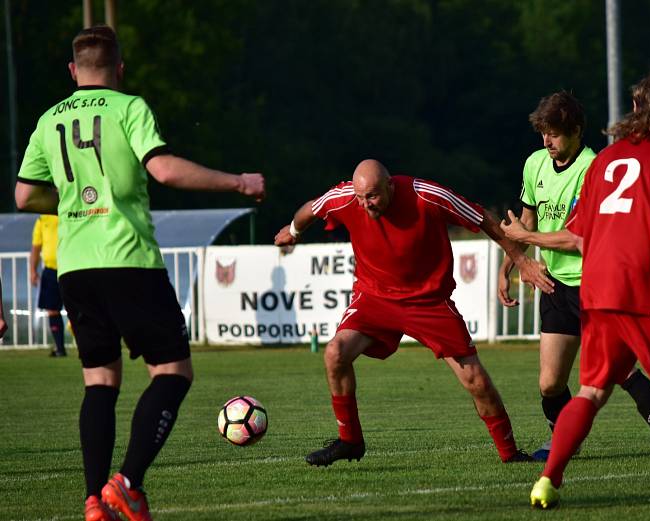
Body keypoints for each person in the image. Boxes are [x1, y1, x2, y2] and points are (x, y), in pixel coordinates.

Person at [15, 25, 264, 521]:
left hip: (77, 269)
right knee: (173, 372)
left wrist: (68, 203)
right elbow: (165, 170)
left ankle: (93, 502)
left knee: (100, 382)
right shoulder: (129, 108)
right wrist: (238, 182)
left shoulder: (48, 120)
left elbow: (24, 195)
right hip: (128, 260)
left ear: (72, 70)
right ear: (120, 68)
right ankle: (126, 483)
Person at [528, 71, 650, 511]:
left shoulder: (604, 161)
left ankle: (547, 481)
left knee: (591, 392)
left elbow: (579, 236)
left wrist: (528, 241)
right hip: (647, 292)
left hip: (596, 294)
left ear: (635, 109)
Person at [274, 158, 551, 467]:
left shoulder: (427, 196)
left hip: (428, 302)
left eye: (374, 196)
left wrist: (522, 261)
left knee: (475, 379)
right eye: (361, 197)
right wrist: (295, 230)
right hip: (374, 298)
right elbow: (312, 208)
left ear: (391, 185)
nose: (366, 204)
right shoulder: (345, 197)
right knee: (335, 353)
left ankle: (510, 453)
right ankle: (350, 441)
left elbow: (483, 218)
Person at [497, 91, 650, 465]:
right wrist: (509, 266)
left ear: (576, 131)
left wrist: (525, 239)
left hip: (595, 285)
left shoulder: (594, 169)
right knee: (550, 383)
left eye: (555, 133)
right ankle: (566, 441)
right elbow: (527, 219)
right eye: (543, 133)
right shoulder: (534, 164)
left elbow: (578, 239)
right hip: (555, 286)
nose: (547, 141)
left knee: (623, 371)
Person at [30, 214, 67, 357]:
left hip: (71, 267)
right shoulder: (42, 219)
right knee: (52, 310)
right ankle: (60, 348)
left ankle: (85, 346)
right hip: (51, 270)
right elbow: (36, 247)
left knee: (79, 308)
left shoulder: (66, 213)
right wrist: (33, 270)